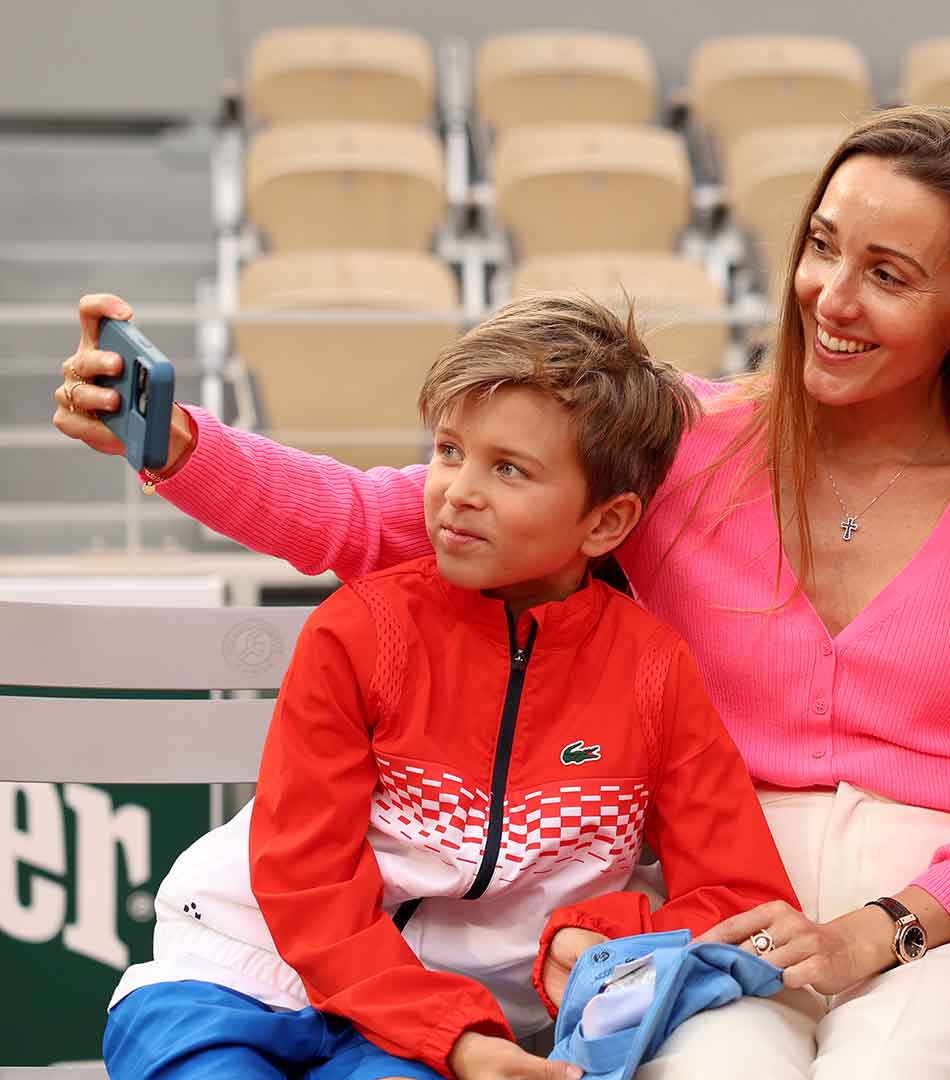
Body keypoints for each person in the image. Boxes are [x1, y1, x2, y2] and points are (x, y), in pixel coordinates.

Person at [55, 107, 950, 1080]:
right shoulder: (686, 443)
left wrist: (883, 929)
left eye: (888, 274)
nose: (831, 297)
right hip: (709, 897)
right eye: (823, 246)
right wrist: (179, 446)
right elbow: (377, 520)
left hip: (940, 911)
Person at [98, 295, 797, 1080]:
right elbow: (306, 881)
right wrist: (450, 1035)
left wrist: (599, 933)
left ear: (606, 523)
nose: (459, 490)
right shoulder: (357, 632)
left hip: (430, 1033)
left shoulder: (654, 671)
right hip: (233, 973)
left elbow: (739, 895)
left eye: (509, 469)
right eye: (449, 450)